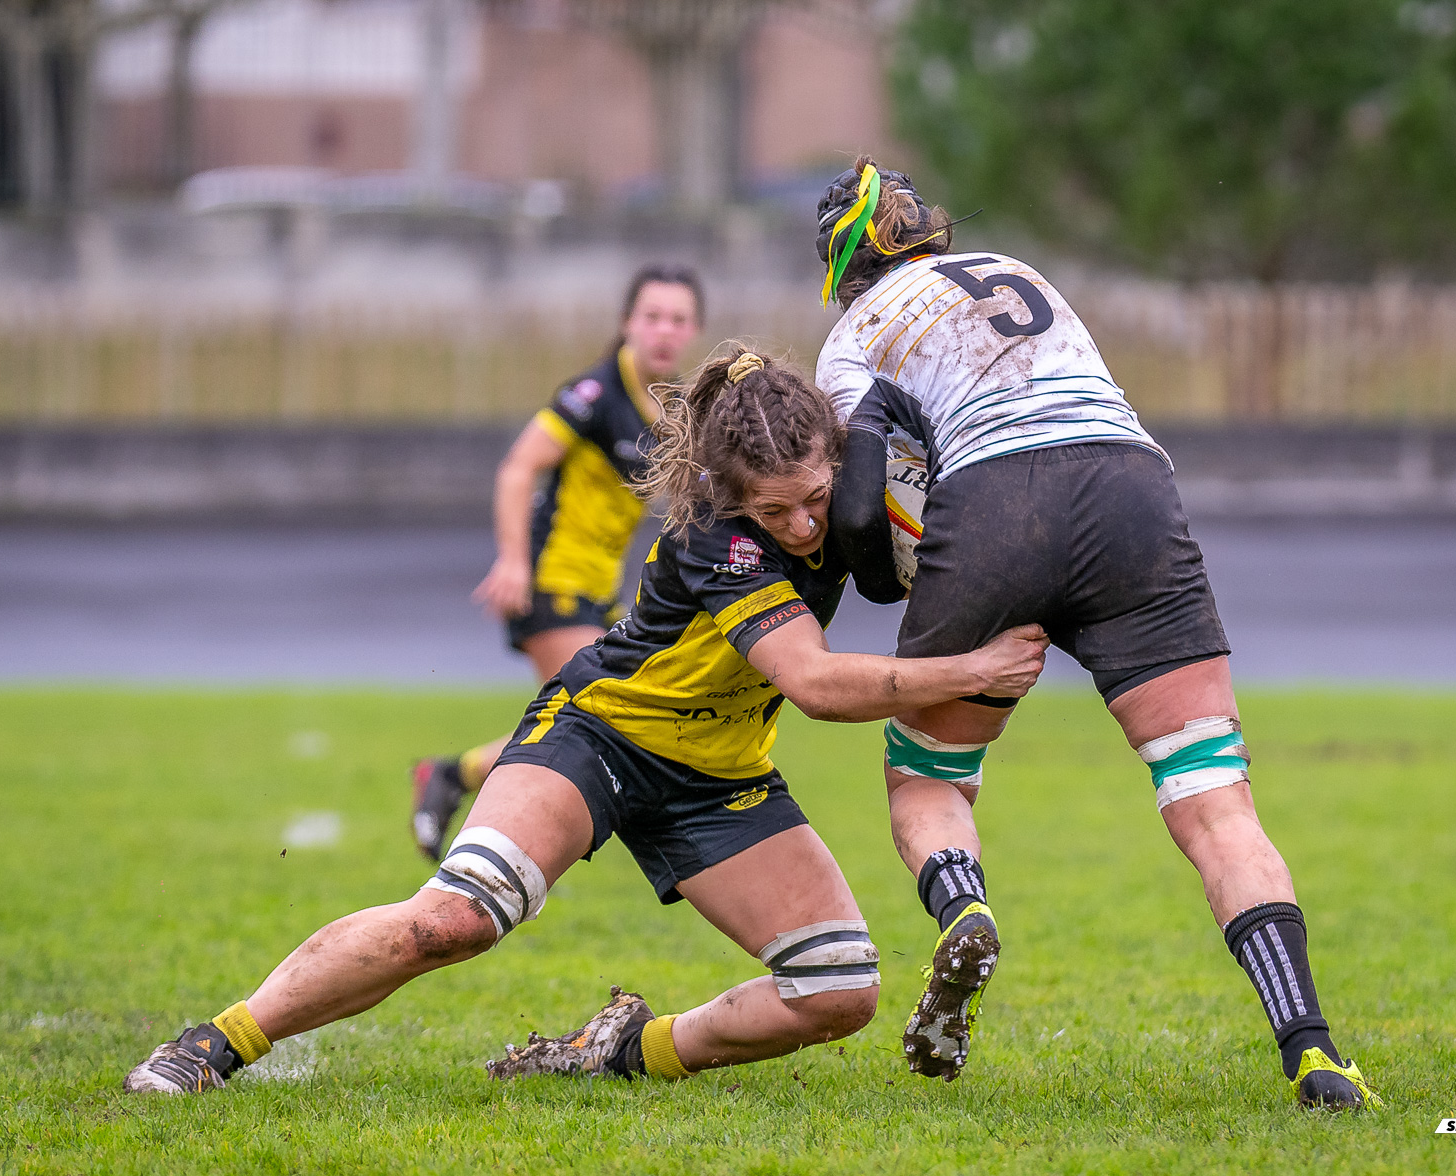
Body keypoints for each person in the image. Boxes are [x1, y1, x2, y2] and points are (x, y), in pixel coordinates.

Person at [122, 347, 1050, 1095]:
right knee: (453, 922)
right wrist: (972, 668)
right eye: (779, 510)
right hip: (599, 739)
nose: (807, 526)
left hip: (720, 775)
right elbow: (811, 682)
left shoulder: (843, 490)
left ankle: (620, 1052)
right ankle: (218, 1042)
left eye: (817, 500)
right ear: (733, 497)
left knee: (840, 988)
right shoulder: (714, 537)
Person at [811, 157, 1378, 1107]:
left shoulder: (853, 334)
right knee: (1212, 794)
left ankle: (965, 908)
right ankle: (1312, 1049)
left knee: (927, 779)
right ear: (927, 229)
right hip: (1130, 489)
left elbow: (864, 510)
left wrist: (888, 581)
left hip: (993, 506)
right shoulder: (1018, 271)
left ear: (839, 266)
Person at [410, 265, 705, 862]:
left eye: (678, 320)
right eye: (652, 318)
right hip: (550, 583)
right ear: (627, 324)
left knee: (608, 710)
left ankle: (452, 776)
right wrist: (514, 562)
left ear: (694, 330)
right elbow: (519, 468)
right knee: (598, 710)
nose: (664, 332)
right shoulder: (594, 395)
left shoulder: (676, 410)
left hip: (602, 591)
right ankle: (468, 790)